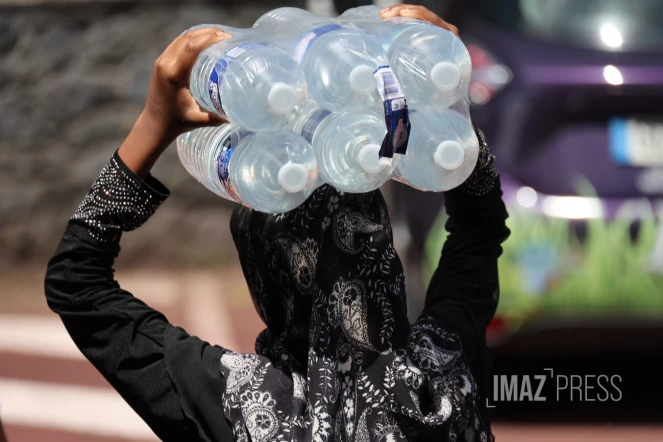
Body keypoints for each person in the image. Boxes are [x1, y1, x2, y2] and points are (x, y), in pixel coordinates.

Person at [44, 5, 508, 442]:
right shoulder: (446, 376)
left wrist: (155, 122)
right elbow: (480, 225)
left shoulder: (245, 407)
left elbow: (75, 285)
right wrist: (439, 99)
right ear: (379, 250)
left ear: (264, 273)